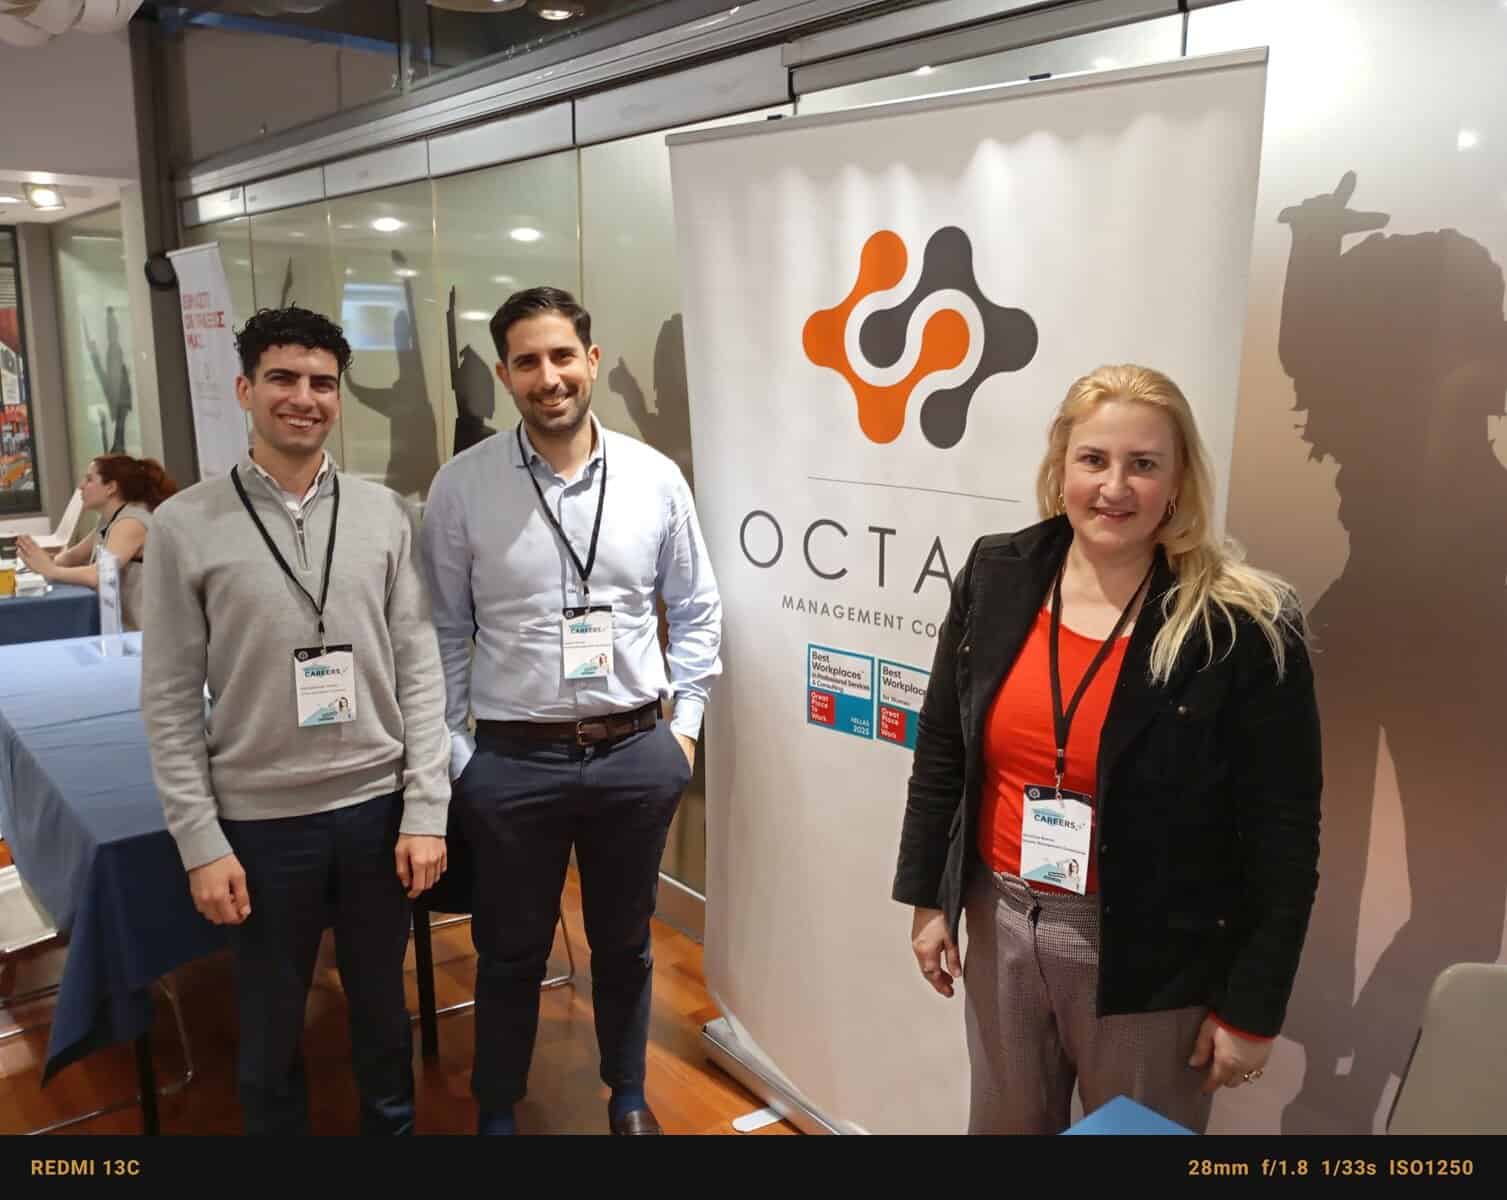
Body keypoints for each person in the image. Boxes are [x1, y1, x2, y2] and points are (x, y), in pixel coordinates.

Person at [893, 364, 1322, 1134]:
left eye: (1143, 464)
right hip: (1001, 918)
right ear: (1060, 465)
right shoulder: (997, 573)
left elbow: (1283, 833)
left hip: (1150, 952)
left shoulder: (1242, 622)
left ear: (1178, 480)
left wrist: (1252, 1007)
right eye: (1093, 459)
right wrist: (931, 897)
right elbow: (943, 751)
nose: (1113, 487)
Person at [140, 305, 451, 1135]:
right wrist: (199, 841)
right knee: (272, 1027)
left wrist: (426, 808)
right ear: (245, 389)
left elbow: (420, 669)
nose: (303, 398)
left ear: (338, 396)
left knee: (382, 1014)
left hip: (376, 811)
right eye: (282, 378)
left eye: (321, 382)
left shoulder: (386, 513)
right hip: (260, 823)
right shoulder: (184, 525)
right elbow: (168, 695)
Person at [421, 286, 722, 1136]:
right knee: (508, 948)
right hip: (512, 760)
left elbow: (696, 607)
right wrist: (459, 756)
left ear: (591, 360)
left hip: (634, 752)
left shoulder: (653, 478)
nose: (547, 377)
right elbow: (440, 628)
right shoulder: (463, 486)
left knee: (625, 943)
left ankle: (626, 1095)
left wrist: (685, 729)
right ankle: (498, 1107)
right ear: (504, 376)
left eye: (561, 356)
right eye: (527, 362)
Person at [16, 454, 176, 630]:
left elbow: (101, 576)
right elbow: (74, 556)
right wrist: (36, 563)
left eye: (89, 479)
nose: (81, 486)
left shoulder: (131, 522)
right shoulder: (110, 519)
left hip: (148, 632)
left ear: (111, 488)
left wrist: (51, 570)